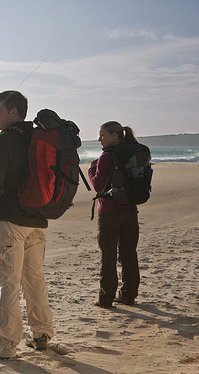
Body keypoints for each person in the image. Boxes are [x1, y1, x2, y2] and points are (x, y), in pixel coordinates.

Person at [0, 90, 55, 360]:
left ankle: (6, 346)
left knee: (8, 282)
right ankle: (42, 333)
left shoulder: (4, 140)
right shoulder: (39, 137)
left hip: (11, 222)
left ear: (14, 111)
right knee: (34, 278)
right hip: (39, 221)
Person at [88, 121, 140, 308]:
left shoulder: (106, 157)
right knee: (129, 253)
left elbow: (98, 185)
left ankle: (105, 298)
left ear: (114, 135)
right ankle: (128, 295)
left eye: (103, 135)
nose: (99, 139)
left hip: (110, 212)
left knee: (108, 256)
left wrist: (91, 169)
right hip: (130, 210)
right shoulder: (130, 153)